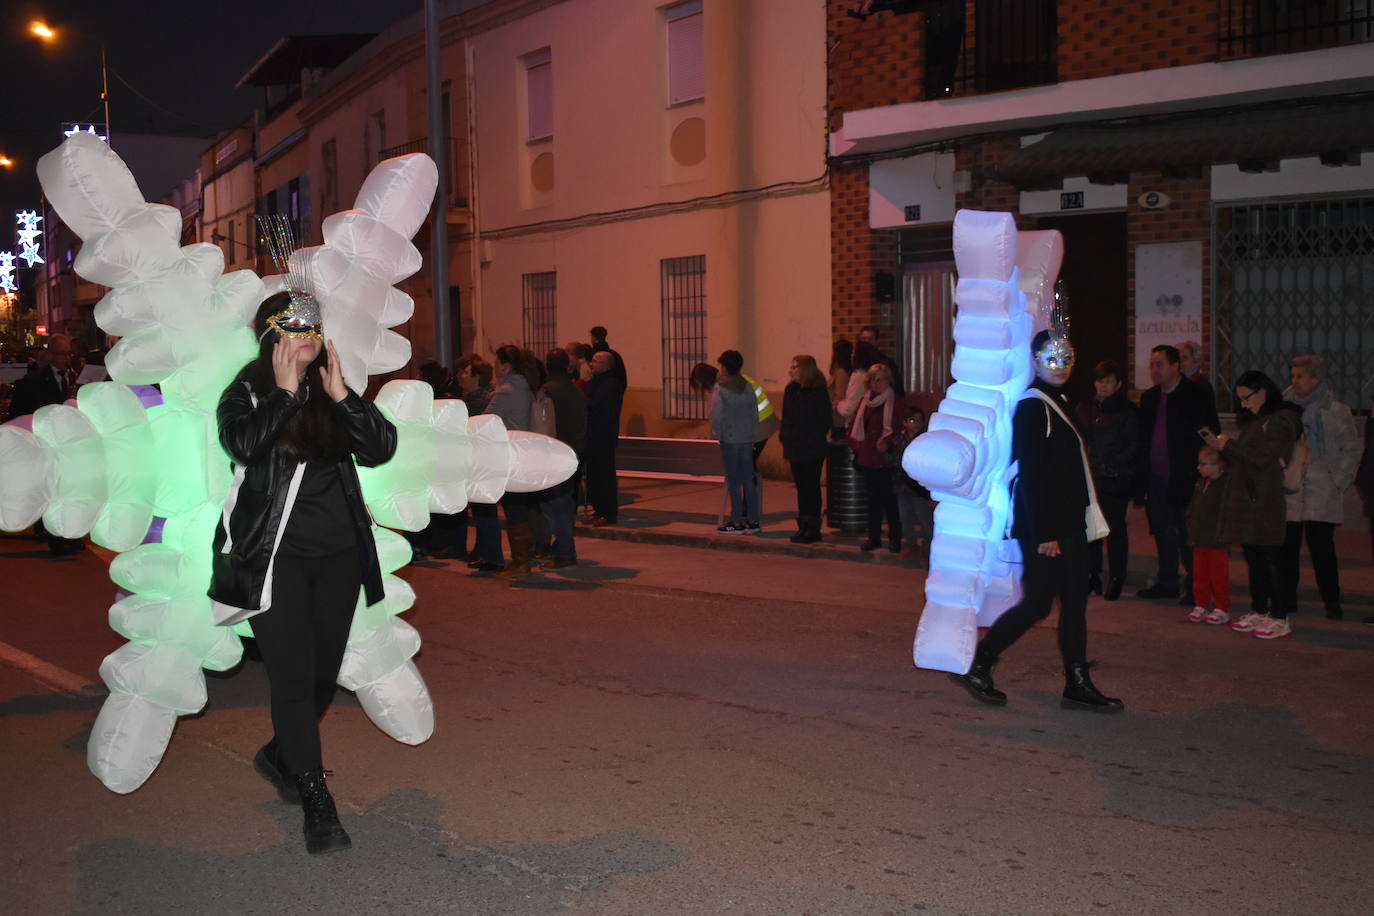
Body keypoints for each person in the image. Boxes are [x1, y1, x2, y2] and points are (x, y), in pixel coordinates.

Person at [210, 291, 397, 855]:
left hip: (339, 556)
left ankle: (280, 753)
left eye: (315, 327)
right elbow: (241, 444)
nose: (309, 336)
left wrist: (343, 397)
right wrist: (285, 393)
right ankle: (316, 801)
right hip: (276, 560)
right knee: (293, 680)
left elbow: (381, 448)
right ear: (272, 335)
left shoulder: (330, 389)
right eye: (295, 327)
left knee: (321, 678)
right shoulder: (246, 390)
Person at [951, 328, 1123, 712]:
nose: (1059, 366)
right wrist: (1046, 532)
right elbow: (1031, 473)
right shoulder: (1034, 405)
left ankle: (1076, 684)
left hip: (1068, 524)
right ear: (1034, 362)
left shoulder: (1059, 402)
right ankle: (979, 662)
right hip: (1049, 528)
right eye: (1050, 358)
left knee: (1072, 602)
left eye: (1065, 358)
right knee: (1039, 604)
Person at [1201, 370, 1302, 640]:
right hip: (1248, 499)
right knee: (1255, 558)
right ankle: (1260, 610)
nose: (1244, 404)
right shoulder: (1257, 420)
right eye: (1240, 399)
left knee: (1271, 559)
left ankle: (1280, 616)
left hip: (1265, 500)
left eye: (1247, 398)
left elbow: (1264, 458)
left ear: (1263, 392)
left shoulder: (1281, 420)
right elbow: (1246, 460)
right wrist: (1221, 447)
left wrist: (1228, 445)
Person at [1136, 344, 1220, 604]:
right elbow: (1143, 439)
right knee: (1162, 531)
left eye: (1160, 364)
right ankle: (1167, 581)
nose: (1155, 370)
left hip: (1185, 476)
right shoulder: (1149, 398)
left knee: (1187, 534)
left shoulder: (1196, 395)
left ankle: (1196, 586)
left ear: (1176, 366)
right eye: (1152, 365)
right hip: (1157, 478)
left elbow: (1210, 432)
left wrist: (1206, 469)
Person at [1280, 355, 1360, 620]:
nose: (1294, 381)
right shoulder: (1284, 408)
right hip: (1291, 489)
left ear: (1316, 379)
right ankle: (1286, 600)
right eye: (1292, 376)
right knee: (1287, 549)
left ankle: (1332, 602)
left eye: (1300, 376)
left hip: (1322, 488)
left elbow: (1351, 447)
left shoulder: (1336, 410)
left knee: (1323, 551)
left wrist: (1338, 481)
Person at [5, 334, 84, 555]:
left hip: (70, 443)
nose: (65, 358)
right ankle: (56, 537)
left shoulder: (74, 377)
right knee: (51, 489)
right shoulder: (34, 381)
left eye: (68, 353)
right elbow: (22, 412)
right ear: (50, 356)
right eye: (61, 354)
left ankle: (66, 533)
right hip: (46, 442)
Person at [1075, 360, 1138, 601]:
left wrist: (1109, 464)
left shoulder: (1127, 411)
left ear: (1118, 384)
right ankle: (1092, 576)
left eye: (1109, 380)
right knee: (1089, 528)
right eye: (1100, 380)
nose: (1103, 385)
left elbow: (1133, 446)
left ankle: (1116, 578)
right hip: (1089, 477)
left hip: (1114, 478)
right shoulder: (1085, 408)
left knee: (1114, 529)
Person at [480, 345, 544, 577]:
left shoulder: (505, 390)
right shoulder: (526, 387)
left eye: (497, 363)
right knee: (520, 507)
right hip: (524, 453)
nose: (495, 368)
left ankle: (521, 562)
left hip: (508, 455)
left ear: (506, 366)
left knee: (513, 509)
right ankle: (524, 559)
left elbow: (486, 420)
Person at [536, 348, 586, 567]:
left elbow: (540, 425)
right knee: (565, 504)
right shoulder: (575, 391)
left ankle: (565, 551)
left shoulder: (547, 391)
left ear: (547, 365)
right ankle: (563, 546)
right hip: (574, 452)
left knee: (554, 506)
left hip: (553, 454)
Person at [848, 362, 904, 553]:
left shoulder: (894, 401)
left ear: (888, 381)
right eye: (872, 380)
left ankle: (895, 539)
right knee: (872, 501)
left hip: (886, 459)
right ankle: (874, 537)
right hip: (869, 456)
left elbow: (900, 428)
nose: (876, 384)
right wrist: (859, 446)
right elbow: (856, 426)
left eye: (880, 380)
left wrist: (887, 441)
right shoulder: (866, 401)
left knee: (890, 501)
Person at [780, 354, 831, 543]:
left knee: (811, 487)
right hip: (795, 446)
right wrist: (786, 437)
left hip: (811, 448)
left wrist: (810, 438)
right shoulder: (791, 390)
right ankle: (803, 525)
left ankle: (812, 527)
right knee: (801, 487)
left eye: (795, 367)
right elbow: (787, 417)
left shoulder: (817, 391)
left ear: (805, 369)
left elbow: (824, 419)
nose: (791, 371)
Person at [712, 349, 762, 534]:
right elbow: (754, 413)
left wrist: (716, 435)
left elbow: (717, 416)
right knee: (748, 479)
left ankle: (737, 521)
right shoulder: (748, 386)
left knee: (734, 481)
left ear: (724, 367)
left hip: (730, 439)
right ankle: (753, 520)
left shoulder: (721, 387)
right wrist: (752, 434)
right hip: (747, 439)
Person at [1185, 447, 1232, 624]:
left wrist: (1223, 533)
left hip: (1217, 540)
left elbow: (1226, 513)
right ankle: (1201, 604)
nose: (1199, 467)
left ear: (1218, 466)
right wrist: (1190, 521)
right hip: (1199, 538)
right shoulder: (1201, 484)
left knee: (1218, 576)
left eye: (1203, 464)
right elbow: (1193, 507)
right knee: (1200, 574)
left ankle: (1222, 607)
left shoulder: (1225, 485)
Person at [584, 349, 625, 526]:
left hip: (603, 436)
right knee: (594, 476)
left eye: (595, 361)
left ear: (606, 365)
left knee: (605, 476)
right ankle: (598, 510)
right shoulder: (595, 382)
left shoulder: (611, 384)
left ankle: (608, 513)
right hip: (592, 436)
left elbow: (595, 404)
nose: (591, 364)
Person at [894, 404, 934, 564]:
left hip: (919, 488)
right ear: (904, 422)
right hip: (902, 487)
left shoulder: (926, 440)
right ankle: (911, 543)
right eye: (912, 420)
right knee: (905, 517)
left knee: (924, 519)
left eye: (919, 420)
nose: (916, 424)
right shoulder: (899, 440)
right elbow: (893, 461)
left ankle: (927, 547)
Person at [857, 324, 903, 394]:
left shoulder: (885, 363)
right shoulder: (857, 363)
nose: (866, 342)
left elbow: (896, 389)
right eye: (863, 339)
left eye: (870, 339)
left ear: (876, 341)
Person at [589, 325, 628, 390]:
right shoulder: (615, 355)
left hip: (597, 393)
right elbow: (622, 378)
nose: (591, 364)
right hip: (616, 393)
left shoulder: (592, 354)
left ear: (594, 337)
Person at [828, 340, 853, 439]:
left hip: (838, 420)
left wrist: (829, 410)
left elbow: (840, 396)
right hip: (837, 418)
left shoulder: (841, 372)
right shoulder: (840, 371)